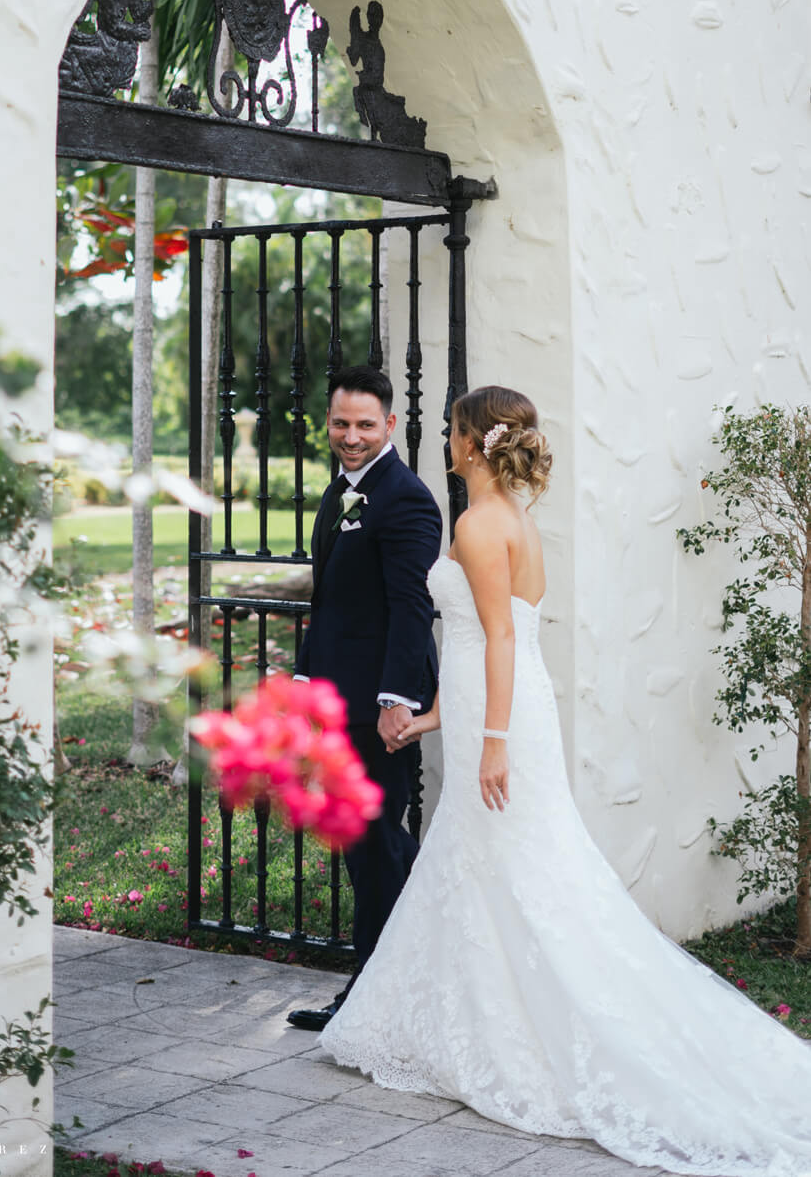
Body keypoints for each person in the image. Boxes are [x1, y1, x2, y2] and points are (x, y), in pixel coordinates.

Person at [320, 384, 811, 1176]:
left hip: (509, 724)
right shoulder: (509, 518)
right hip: (501, 713)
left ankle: (545, 1033)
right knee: (494, 873)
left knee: (527, 877)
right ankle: (473, 1023)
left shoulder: (482, 525)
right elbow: (477, 645)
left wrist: (492, 744)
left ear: (475, 443)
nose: (445, 440)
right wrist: (435, 719)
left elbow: (503, 639)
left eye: (453, 431)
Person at [286, 364, 442, 1032]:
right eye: (341, 423)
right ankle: (410, 973)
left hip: (379, 715)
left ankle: (373, 997)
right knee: (371, 849)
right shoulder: (340, 491)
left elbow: (412, 608)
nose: (350, 437)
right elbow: (328, 605)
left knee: (377, 849)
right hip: (335, 703)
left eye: (364, 425)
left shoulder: (405, 498)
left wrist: (395, 700)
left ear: (391, 426)